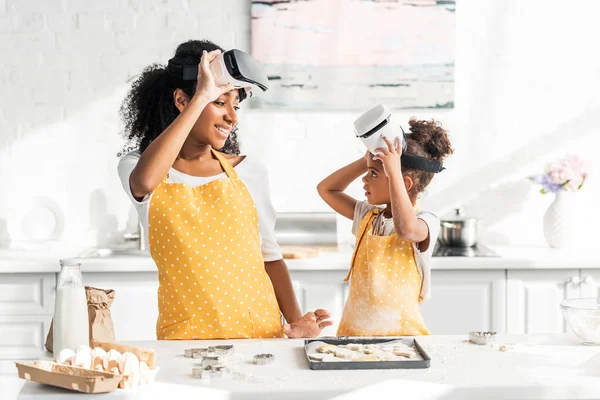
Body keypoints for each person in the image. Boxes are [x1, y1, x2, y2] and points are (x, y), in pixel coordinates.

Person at [118, 39, 331, 339]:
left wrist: (297, 323)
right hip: (185, 342)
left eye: (236, 105)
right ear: (183, 101)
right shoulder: (141, 167)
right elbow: (143, 184)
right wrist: (202, 95)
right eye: (220, 102)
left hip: (260, 336)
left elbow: (270, 257)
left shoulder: (249, 171)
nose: (232, 116)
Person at [317, 118, 453, 336]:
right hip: (355, 335)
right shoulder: (368, 217)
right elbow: (327, 189)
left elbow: (406, 230)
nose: (364, 179)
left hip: (401, 340)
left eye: (373, 174)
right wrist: (369, 159)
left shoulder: (426, 221)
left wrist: (393, 172)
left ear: (403, 183)